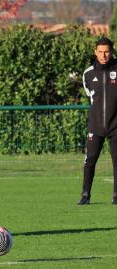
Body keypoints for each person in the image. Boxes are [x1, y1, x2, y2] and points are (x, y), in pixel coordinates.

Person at [79, 37, 117, 205]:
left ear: (112, 52)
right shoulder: (88, 73)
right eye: (100, 52)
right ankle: (85, 196)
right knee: (90, 161)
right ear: (95, 52)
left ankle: (116, 196)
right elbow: (90, 95)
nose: (103, 55)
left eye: (107, 51)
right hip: (95, 126)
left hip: (116, 126)